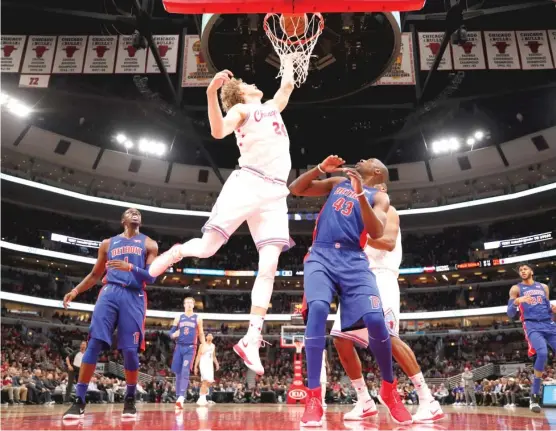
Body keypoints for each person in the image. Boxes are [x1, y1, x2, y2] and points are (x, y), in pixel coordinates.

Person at [148, 58, 297, 376]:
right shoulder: (242, 110)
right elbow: (217, 131)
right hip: (249, 182)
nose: (252, 82)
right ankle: (177, 251)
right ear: (239, 94)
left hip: (274, 193)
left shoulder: (271, 106)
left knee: (269, 264)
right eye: (244, 83)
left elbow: (286, 87)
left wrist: (288, 59)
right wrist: (211, 93)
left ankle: (252, 337)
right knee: (206, 248)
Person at [290, 155, 412, 426]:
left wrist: (359, 194)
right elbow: (296, 189)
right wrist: (320, 168)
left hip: (353, 259)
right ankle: (313, 397)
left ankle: (389, 390)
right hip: (320, 255)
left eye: (368, 159)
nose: (361, 159)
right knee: (318, 309)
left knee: (376, 320)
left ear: (377, 171)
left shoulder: (380, 198)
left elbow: (376, 230)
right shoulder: (337, 182)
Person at [329, 183, 444, 423]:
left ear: (380, 187)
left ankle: (427, 399)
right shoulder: (357, 214)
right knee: (340, 339)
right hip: (356, 279)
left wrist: (354, 235)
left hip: (381, 277)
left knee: (388, 337)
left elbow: (388, 242)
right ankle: (364, 400)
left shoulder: (388, 211)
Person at [62, 208, 158, 420]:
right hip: (109, 292)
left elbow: (150, 277)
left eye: (138, 212)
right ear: (123, 220)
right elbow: (96, 274)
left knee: (130, 351)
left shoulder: (150, 244)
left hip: (134, 296)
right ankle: (79, 401)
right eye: (130, 212)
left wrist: (130, 266)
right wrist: (76, 290)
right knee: (94, 343)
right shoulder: (108, 243)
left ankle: (130, 399)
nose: (135, 214)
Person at [507, 262, 556, 413]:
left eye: (525, 268)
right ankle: (534, 397)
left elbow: (546, 307)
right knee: (542, 354)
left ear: (531, 271)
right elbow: (510, 313)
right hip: (532, 325)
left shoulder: (543, 287)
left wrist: (553, 309)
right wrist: (517, 301)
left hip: (549, 324)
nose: (522, 271)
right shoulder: (516, 288)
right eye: (520, 270)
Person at [170, 297, 205, 409]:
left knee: (185, 370)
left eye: (191, 303)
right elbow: (171, 332)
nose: (189, 305)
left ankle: (181, 398)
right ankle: (178, 396)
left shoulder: (198, 318)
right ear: (184, 305)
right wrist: (173, 335)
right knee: (178, 373)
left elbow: (201, 333)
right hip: (179, 347)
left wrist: (203, 345)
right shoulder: (178, 317)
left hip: (190, 348)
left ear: (194, 305)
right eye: (187, 303)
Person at [194, 333, 219, 406]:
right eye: (209, 335)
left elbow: (214, 356)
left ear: (213, 337)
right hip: (203, 364)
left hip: (210, 365)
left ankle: (203, 397)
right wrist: (195, 366)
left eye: (211, 335)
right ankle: (201, 399)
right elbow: (198, 356)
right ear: (206, 337)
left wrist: (216, 363)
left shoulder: (213, 346)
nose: (210, 336)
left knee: (209, 382)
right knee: (204, 381)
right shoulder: (202, 345)